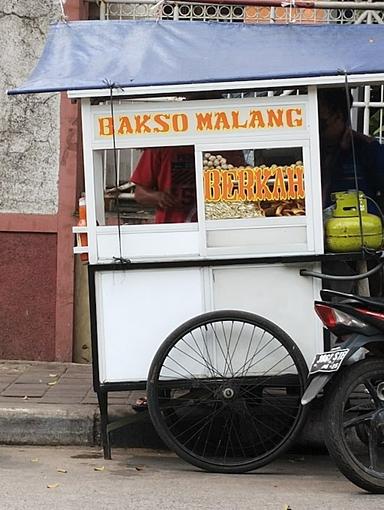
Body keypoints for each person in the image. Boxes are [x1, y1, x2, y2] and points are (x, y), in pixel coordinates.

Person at [318, 87, 384, 209]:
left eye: (321, 123)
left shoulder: (366, 149)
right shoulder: (311, 148)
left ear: (339, 116)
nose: (316, 129)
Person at [131, 145, 197, 224]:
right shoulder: (158, 147)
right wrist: (158, 197)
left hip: (207, 221)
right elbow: (140, 194)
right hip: (169, 225)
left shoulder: (209, 144)